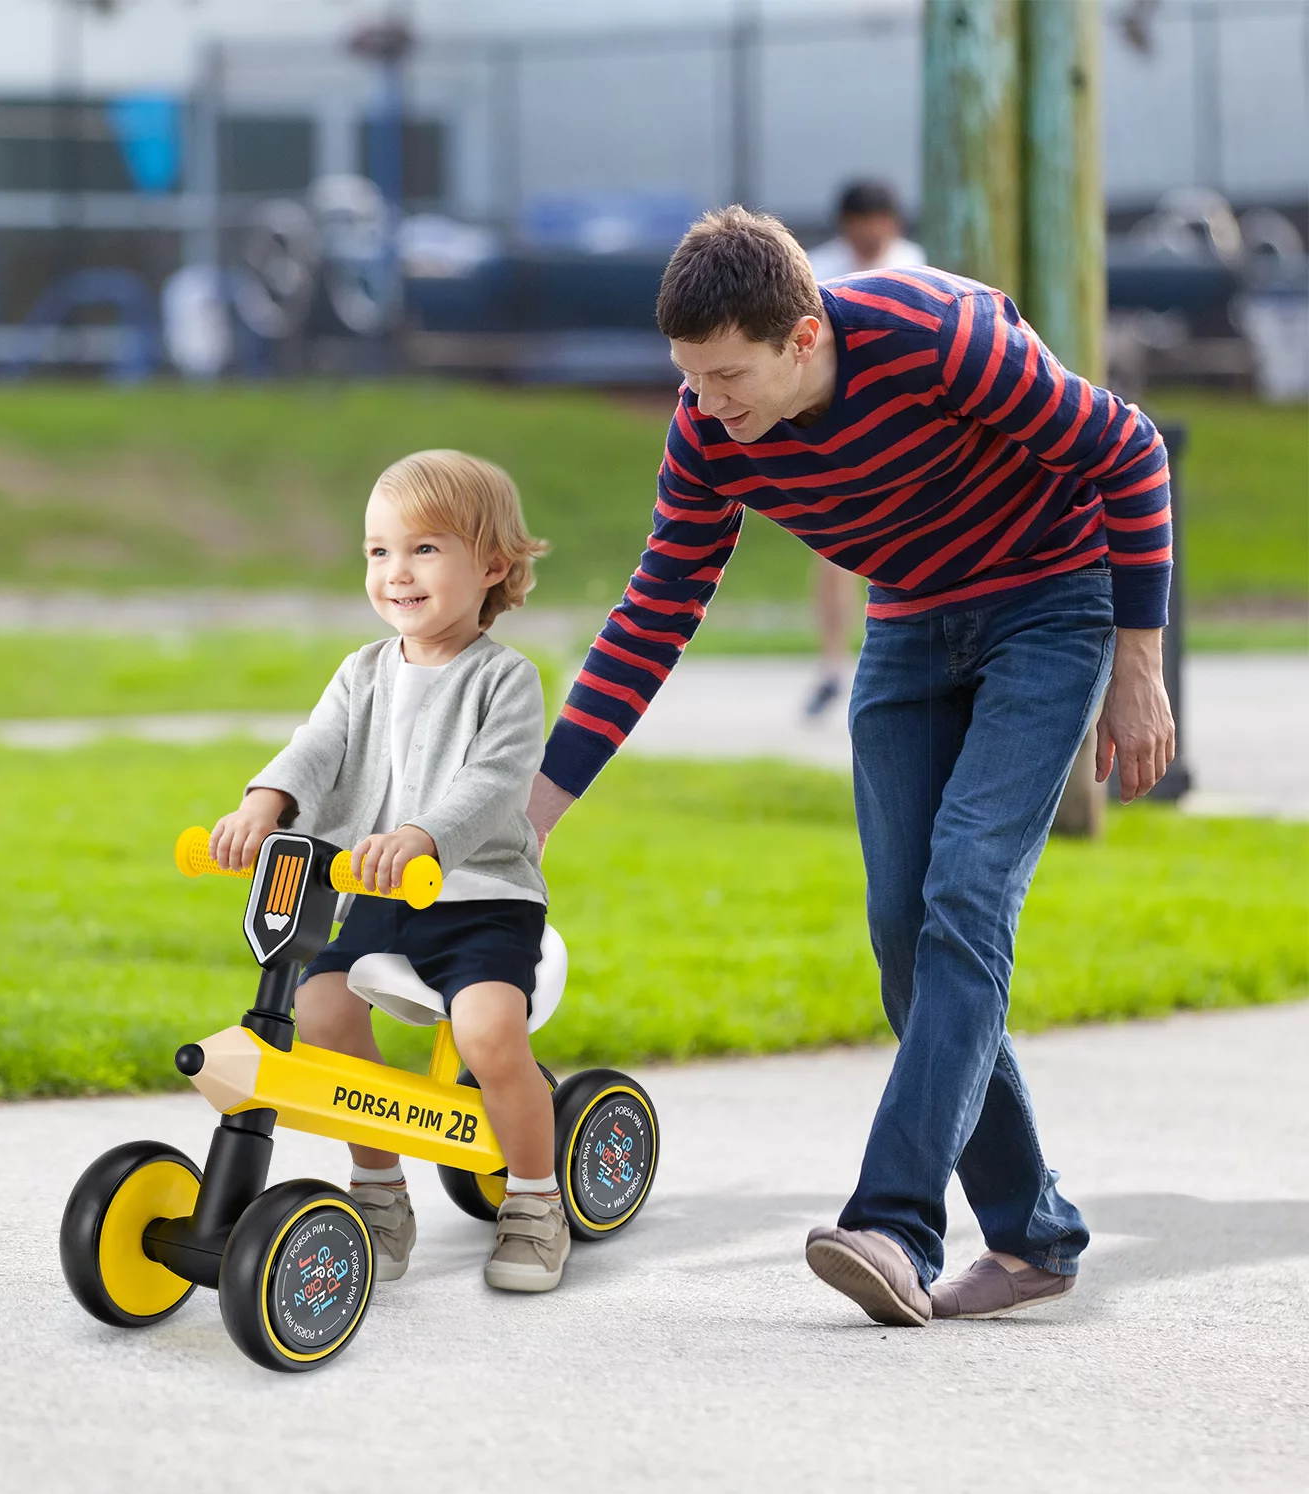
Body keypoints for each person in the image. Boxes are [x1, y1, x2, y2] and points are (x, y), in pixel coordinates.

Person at [527, 207, 1174, 1327]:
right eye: (691, 378)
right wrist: (529, 818)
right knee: (900, 935)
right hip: (912, 624)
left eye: (727, 377)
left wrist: (1137, 660)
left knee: (965, 893)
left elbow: (1127, 446)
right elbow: (652, 617)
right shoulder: (706, 430)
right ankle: (1033, 1236)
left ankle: (893, 1222)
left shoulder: (939, 339)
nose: (708, 405)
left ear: (803, 337)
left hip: (1049, 603)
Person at [207, 450, 570, 1293]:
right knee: (318, 1009)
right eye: (379, 551)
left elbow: (493, 784)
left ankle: (533, 1198)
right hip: (376, 893)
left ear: (493, 567)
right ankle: (377, 1189)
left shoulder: (505, 680)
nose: (396, 572)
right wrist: (266, 803)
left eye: (424, 550)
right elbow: (317, 747)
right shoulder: (362, 671)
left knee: (486, 1034)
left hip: (480, 901)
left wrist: (421, 835)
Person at [804, 181, 929, 716]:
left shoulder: (913, 264)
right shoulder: (816, 270)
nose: (873, 232)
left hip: (900, 424)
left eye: (881, 220)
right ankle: (834, 665)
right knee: (836, 554)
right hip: (835, 431)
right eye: (864, 221)